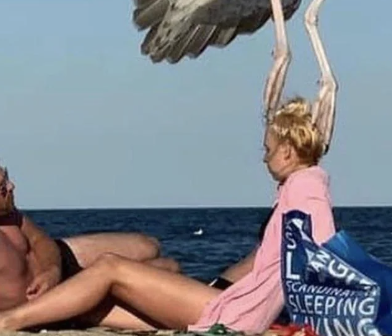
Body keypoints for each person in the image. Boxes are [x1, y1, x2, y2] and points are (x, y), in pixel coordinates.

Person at [0, 98, 335, 334]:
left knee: (110, 267)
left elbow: (324, 249)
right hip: (240, 308)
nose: (265, 159)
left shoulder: (306, 188)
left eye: (268, 149)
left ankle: (9, 322)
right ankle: (46, 314)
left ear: (288, 152)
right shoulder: (301, 186)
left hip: (237, 314)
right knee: (109, 298)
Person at [0, 164, 177, 313]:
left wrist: (52, 270)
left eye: (7, 178)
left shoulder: (10, 214)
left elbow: (40, 240)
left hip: (57, 266)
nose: (11, 186)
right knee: (168, 268)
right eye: (2, 187)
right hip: (52, 301)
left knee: (148, 245)